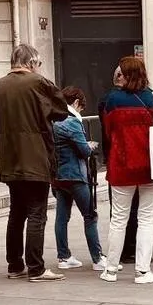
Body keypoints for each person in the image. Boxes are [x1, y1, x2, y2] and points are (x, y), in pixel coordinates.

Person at [0, 44, 70, 281]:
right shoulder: (38, 84)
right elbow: (61, 110)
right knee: (36, 212)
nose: (38, 69)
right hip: (37, 158)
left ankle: (15, 264)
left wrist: (5, 133)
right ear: (31, 63)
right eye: (38, 65)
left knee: (16, 212)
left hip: (11, 158)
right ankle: (36, 267)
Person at [99, 55, 153, 284]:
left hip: (121, 165)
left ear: (123, 74)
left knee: (118, 219)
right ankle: (143, 270)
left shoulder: (113, 100)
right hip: (151, 166)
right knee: (146, 218)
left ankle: (110, 269)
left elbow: (108, 131)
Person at [53, 86, 107, 271]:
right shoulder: (72, 122)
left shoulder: (53, 120)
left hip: (59, 176)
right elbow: (83, 151)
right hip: (76, 175)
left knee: (62, 217)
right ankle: (98, 258)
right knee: (90, 215)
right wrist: (90, 145)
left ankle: (63, 256)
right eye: (81, 107)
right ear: (76, 102)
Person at [101, 64, 138, 263]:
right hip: (131, 158)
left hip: (114, 159)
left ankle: (118, 254)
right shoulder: (117, 99)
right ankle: (132, 250)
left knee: (118, 211)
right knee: (136, 210)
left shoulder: (107, 99)